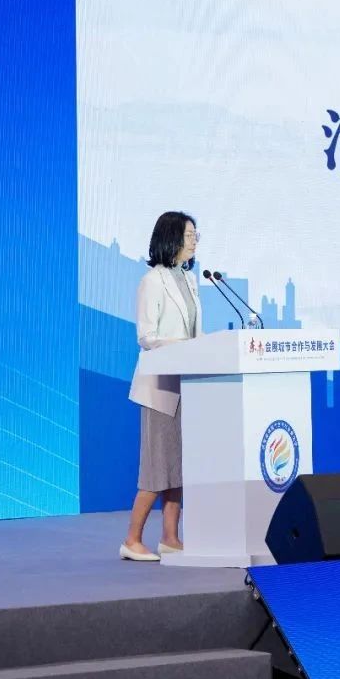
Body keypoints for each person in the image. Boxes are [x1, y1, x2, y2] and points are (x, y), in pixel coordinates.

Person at [120, 211, 203, 561]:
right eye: (188, 235)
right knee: (157, 468)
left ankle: (170, 537)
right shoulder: (152, 281)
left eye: (196, 235)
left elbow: (194, 332)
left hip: (187, 385)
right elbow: (146, 336)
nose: (194, 241)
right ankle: (132, 540)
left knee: (178, 466)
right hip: (160, 387)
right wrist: (184, 348)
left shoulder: (190, 279)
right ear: (171, 238)